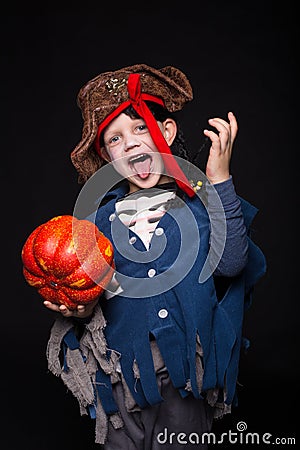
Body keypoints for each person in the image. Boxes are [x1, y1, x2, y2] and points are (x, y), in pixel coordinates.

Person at [44, 64, 266, 449]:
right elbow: (92, 294)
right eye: (115, 139)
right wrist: (79, 309)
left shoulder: (202, 207)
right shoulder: (96, 224)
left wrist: (220, 180)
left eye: (140, 128)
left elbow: (231, 265)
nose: (130, 143)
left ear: (166, 131)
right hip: (119, 378)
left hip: (186, 379)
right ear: (107, 156)